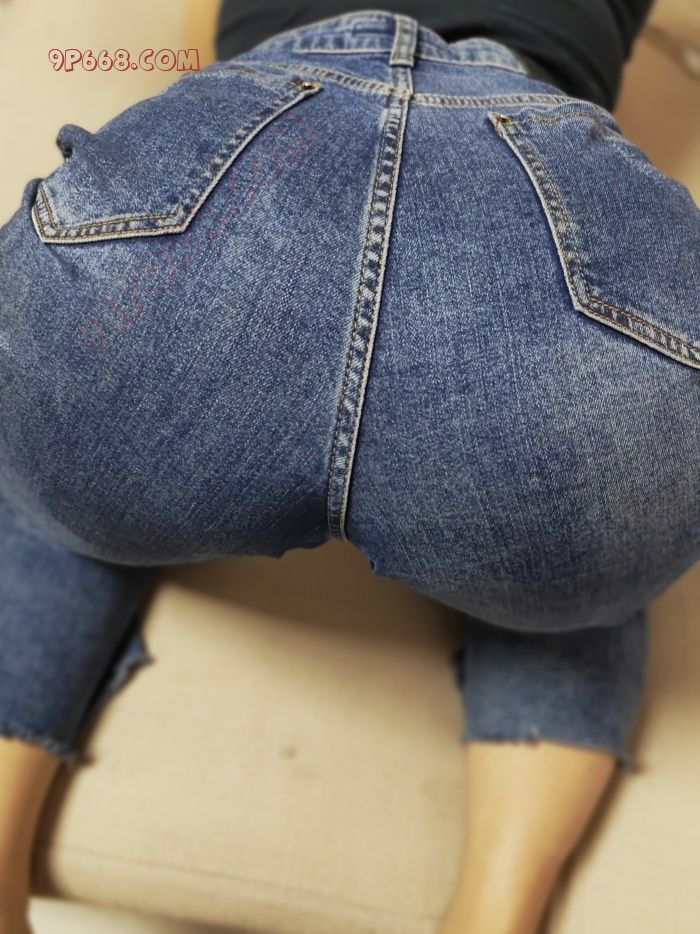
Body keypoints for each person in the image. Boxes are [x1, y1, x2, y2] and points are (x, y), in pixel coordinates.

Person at [0, 4, 698, 934]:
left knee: (49, 465)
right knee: (595, 491)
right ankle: (494, 913)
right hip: (535, 161)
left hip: (249, 161)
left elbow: (189, 40)